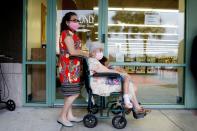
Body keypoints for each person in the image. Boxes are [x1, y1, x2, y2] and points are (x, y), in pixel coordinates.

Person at [88, 41, 151, 115]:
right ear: (93, 52)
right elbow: (106, 71)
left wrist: (120, 73)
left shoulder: (94, 61)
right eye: (100, 51)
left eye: (101, 51)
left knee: (130, 84)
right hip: (100, 84)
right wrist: (120, 73)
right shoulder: (92, 61)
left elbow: (105, 70)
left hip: (102, 81)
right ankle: (133, 105)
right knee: (130, 85)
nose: (101, 53)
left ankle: (130, 104)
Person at [57, 12, 89, 127]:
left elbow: (75, 51)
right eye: (74, 20)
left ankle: (69, 116)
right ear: (67, 22)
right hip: (67, 70)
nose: (76, 22)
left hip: (73, 69)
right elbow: (72, 52)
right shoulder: (66, 34)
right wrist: (87, 53)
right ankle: (62, 116)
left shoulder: (72, 34)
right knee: (74, 94)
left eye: (77, 20)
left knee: (69, 94)